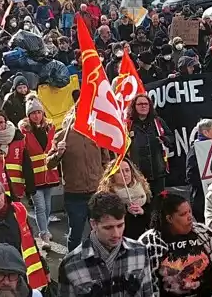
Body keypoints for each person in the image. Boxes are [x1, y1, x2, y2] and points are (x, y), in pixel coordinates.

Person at [51, 120, 107, 251]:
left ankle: (98, 257)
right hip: (74, 194)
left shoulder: (97, 134)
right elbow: (49, 163)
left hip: (96, 192)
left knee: (99, 229)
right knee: (76, 231)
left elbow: (106, 159)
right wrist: (58, 154)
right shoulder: (62, 136)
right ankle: (72, 261)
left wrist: (104, 175)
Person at [18, 97, 60, 242]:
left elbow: (53, 148)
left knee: (48, 206)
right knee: (40, 206)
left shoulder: (50, 127)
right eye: (33, 113)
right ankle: (44, 234)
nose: (36, 115)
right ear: (28, 115)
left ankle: (45, 229)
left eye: (38, 112)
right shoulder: (24, 131)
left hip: (49, 173)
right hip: (34, 176)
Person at [127, 93, 172, 198]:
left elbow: (171, 138)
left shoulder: (158, 122)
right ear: (134, 106)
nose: (143, 106)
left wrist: (164, 139)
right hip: (138, 174)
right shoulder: (128, 125)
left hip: (158, 173)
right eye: (140, 104)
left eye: (146, 104)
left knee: (159, 203)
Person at [98, 157, 152, 239]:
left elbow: (153, 219)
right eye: (119, 172)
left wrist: (142, 212)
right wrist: (126, 212)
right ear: (112, 176)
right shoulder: (107, 196)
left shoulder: (143, 189)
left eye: (127, 170)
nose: (125, 175)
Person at [184, 119, 212, 223]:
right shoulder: (195, 149)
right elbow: (190, 176)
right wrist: (207, 183)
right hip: (201, 199)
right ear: (206, 132)